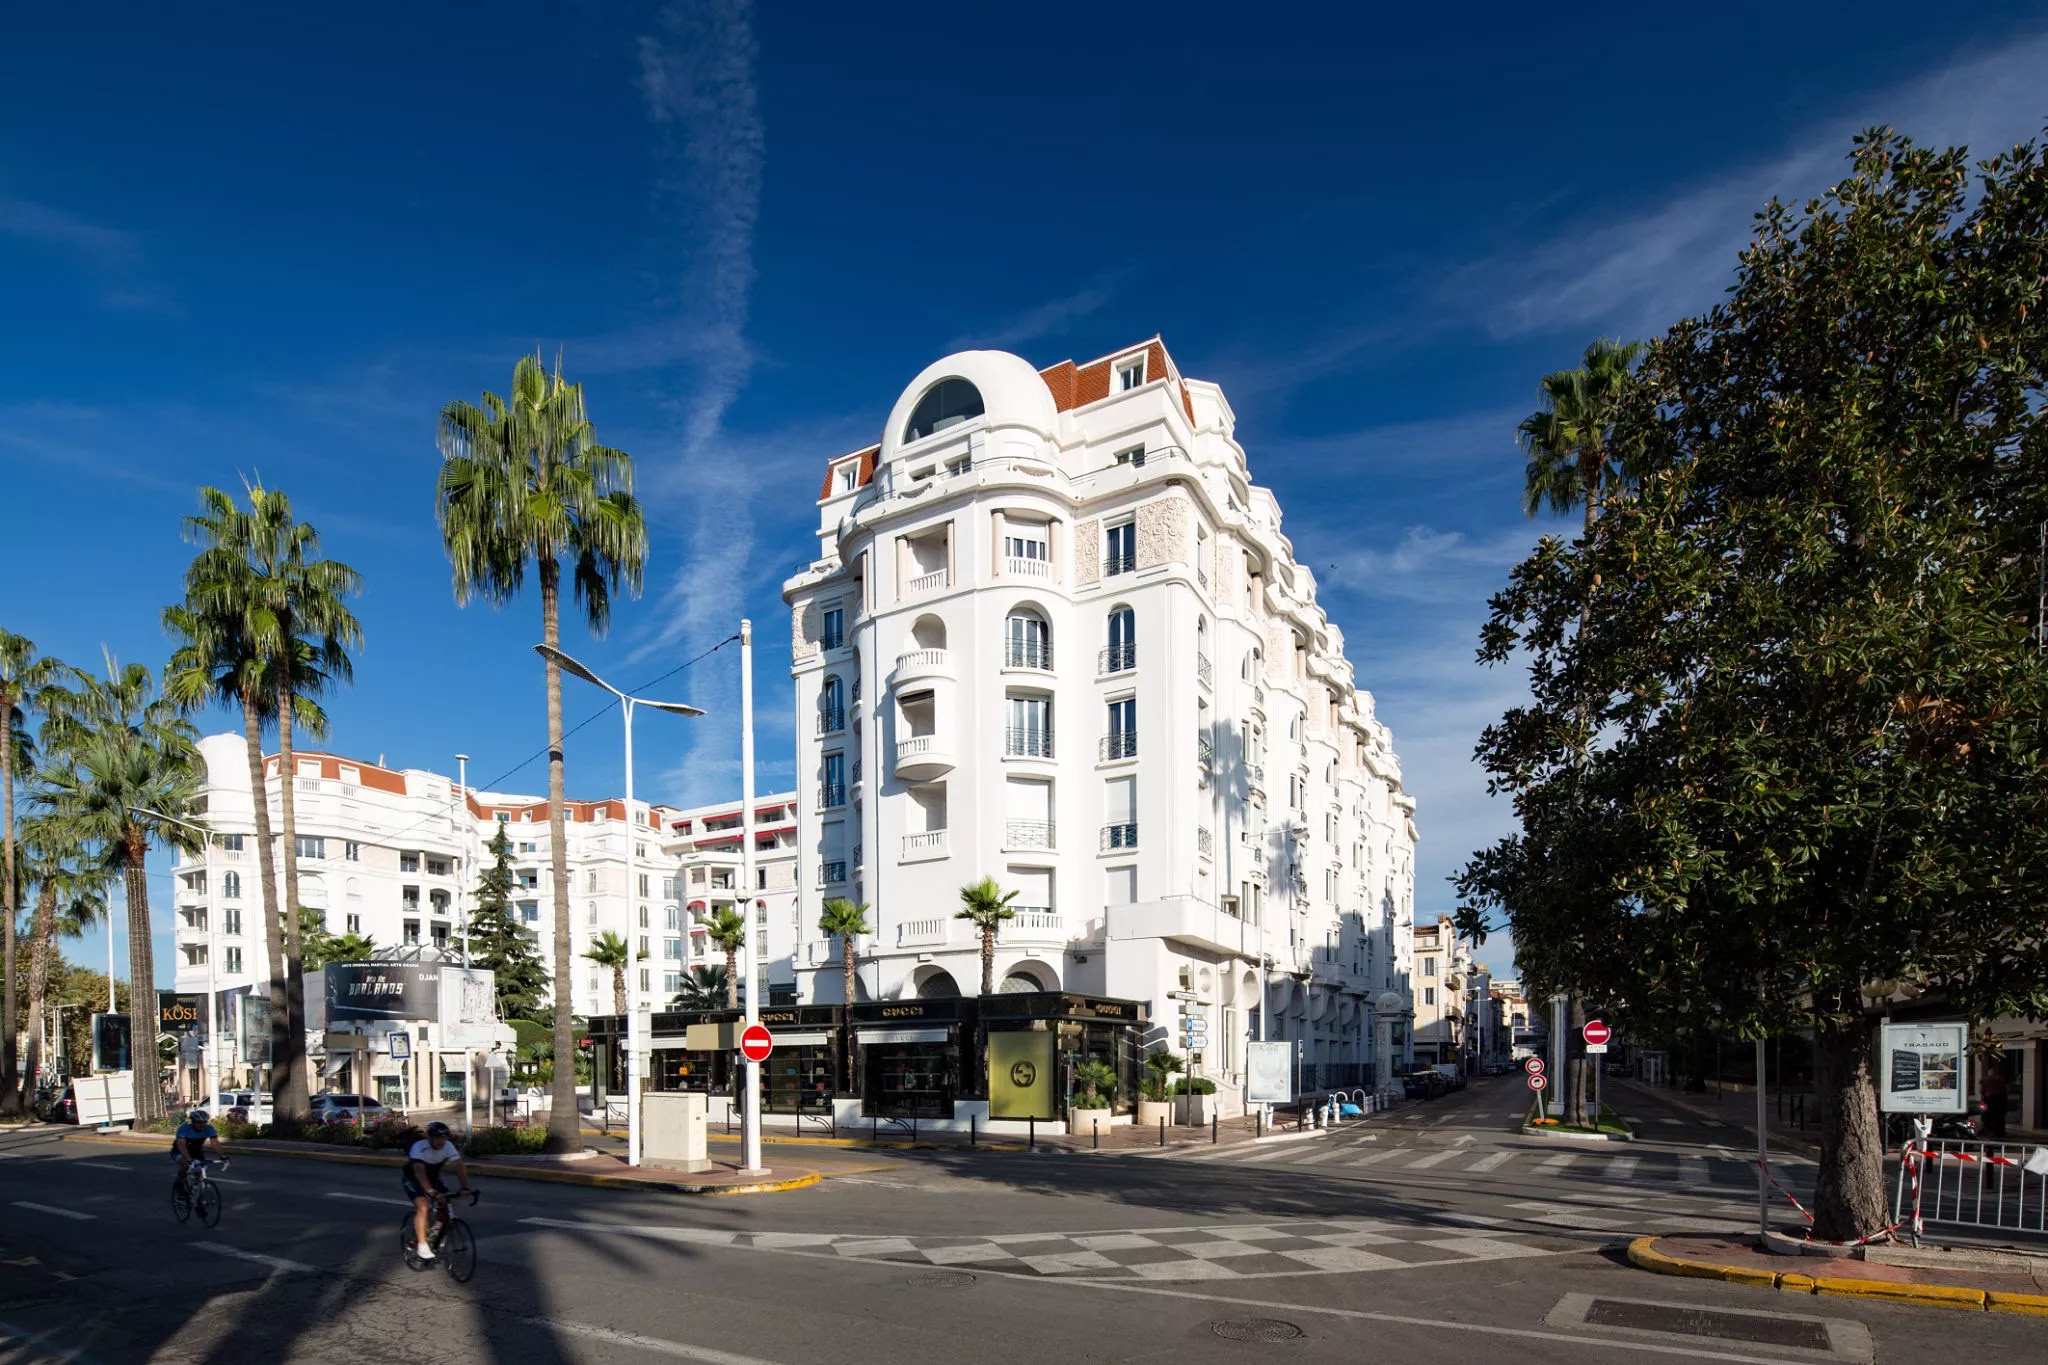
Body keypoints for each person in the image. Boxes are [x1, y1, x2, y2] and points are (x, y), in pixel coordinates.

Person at [402, 1121, 474, 1261]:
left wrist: (465, 1187)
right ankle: (422, 1244)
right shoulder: (419, 1147)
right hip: (413, 1178)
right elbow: (419, 1172)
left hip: (434, 1178)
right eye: (437, 1138)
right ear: (429, 1138)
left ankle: (434, 1238)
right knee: (423, 1207)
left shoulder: (448, 1146)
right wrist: (431, 1192)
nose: (441, 1141)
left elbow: (459, 1166)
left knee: (445, 1211)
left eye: (444, 1137)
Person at [172, 1109, 223, 1195]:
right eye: (199, 1122)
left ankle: (198, 1197)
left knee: (199, 1173)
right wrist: (188, 1159)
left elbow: (215, 1143)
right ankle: (180, 1183)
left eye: (204, 1122)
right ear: (193, 1122)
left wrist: (222, 1156)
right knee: (185, 1164)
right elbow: (181, 1145)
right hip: (179, 1151)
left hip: (196, 1152)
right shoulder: (184, 1128)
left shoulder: (209, 1129)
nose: (202, 1125)